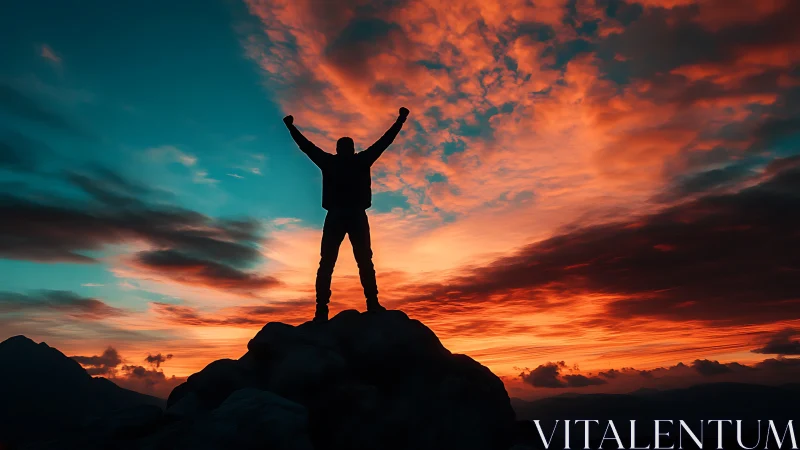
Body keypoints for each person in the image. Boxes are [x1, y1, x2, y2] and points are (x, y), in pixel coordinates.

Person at [283, 107, 409, 322]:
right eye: (344, 147)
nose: (346, 149)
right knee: (336, 262)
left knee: (354, 261)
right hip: (342, 215)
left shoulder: (346, 161)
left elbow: (385, 141)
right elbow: (306, 146)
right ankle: (327, 309)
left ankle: (364, 303)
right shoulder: (345, 161)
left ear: (347, 149)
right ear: (343, 149)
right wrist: (291, 127)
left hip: (349, 215)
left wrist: (400, 120)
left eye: (347, 146)